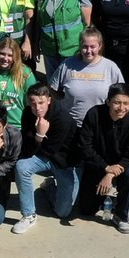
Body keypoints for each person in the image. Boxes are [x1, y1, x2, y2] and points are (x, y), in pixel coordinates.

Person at [76, 83, 129, 233]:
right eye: (117, 102)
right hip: (96, 164)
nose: (121, 108)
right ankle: (51, 187)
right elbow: (84, 147)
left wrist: (110, 173)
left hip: (120, 167)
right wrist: (105, 167)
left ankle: (121, 215)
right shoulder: (94, 114)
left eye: (126, 103)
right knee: (86, 210)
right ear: (108, 102)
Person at [12, 82, 79, 232]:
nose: (37, 108)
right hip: (42, 156)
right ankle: (29, 215)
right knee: (22, 167)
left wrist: (40, 136)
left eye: (41, 102)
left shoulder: (62, 118)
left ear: (49, 100)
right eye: (33, 103)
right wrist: (39, 135)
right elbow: (27, 148)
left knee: (63, 212)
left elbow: (51, 150)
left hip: (64, 162)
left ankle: (49, 186)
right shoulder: (27, 113)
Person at [49, 27, 126, 126]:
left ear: (100, 46)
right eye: (85, 46)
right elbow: (52, 88)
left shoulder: (110, 67)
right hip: (71, 124)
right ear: (80, 46)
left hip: (99, 124)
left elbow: (122, 94)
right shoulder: (67, 65)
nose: (88, 51)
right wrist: (63, 102)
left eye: (92, 46)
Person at [35, 0, 93, 78]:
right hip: (49, 51)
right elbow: (39, 23)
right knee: (53, 86)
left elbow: (87, 25)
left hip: (72, 52)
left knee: (71, 87)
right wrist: (35, 46)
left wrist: (85, 51)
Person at [0, 37, 36, 129]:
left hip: (17, 127)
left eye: (10, 55)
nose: (5, 58)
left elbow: (32, 104)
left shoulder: (25, 74)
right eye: (2, 54)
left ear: (16, 57)